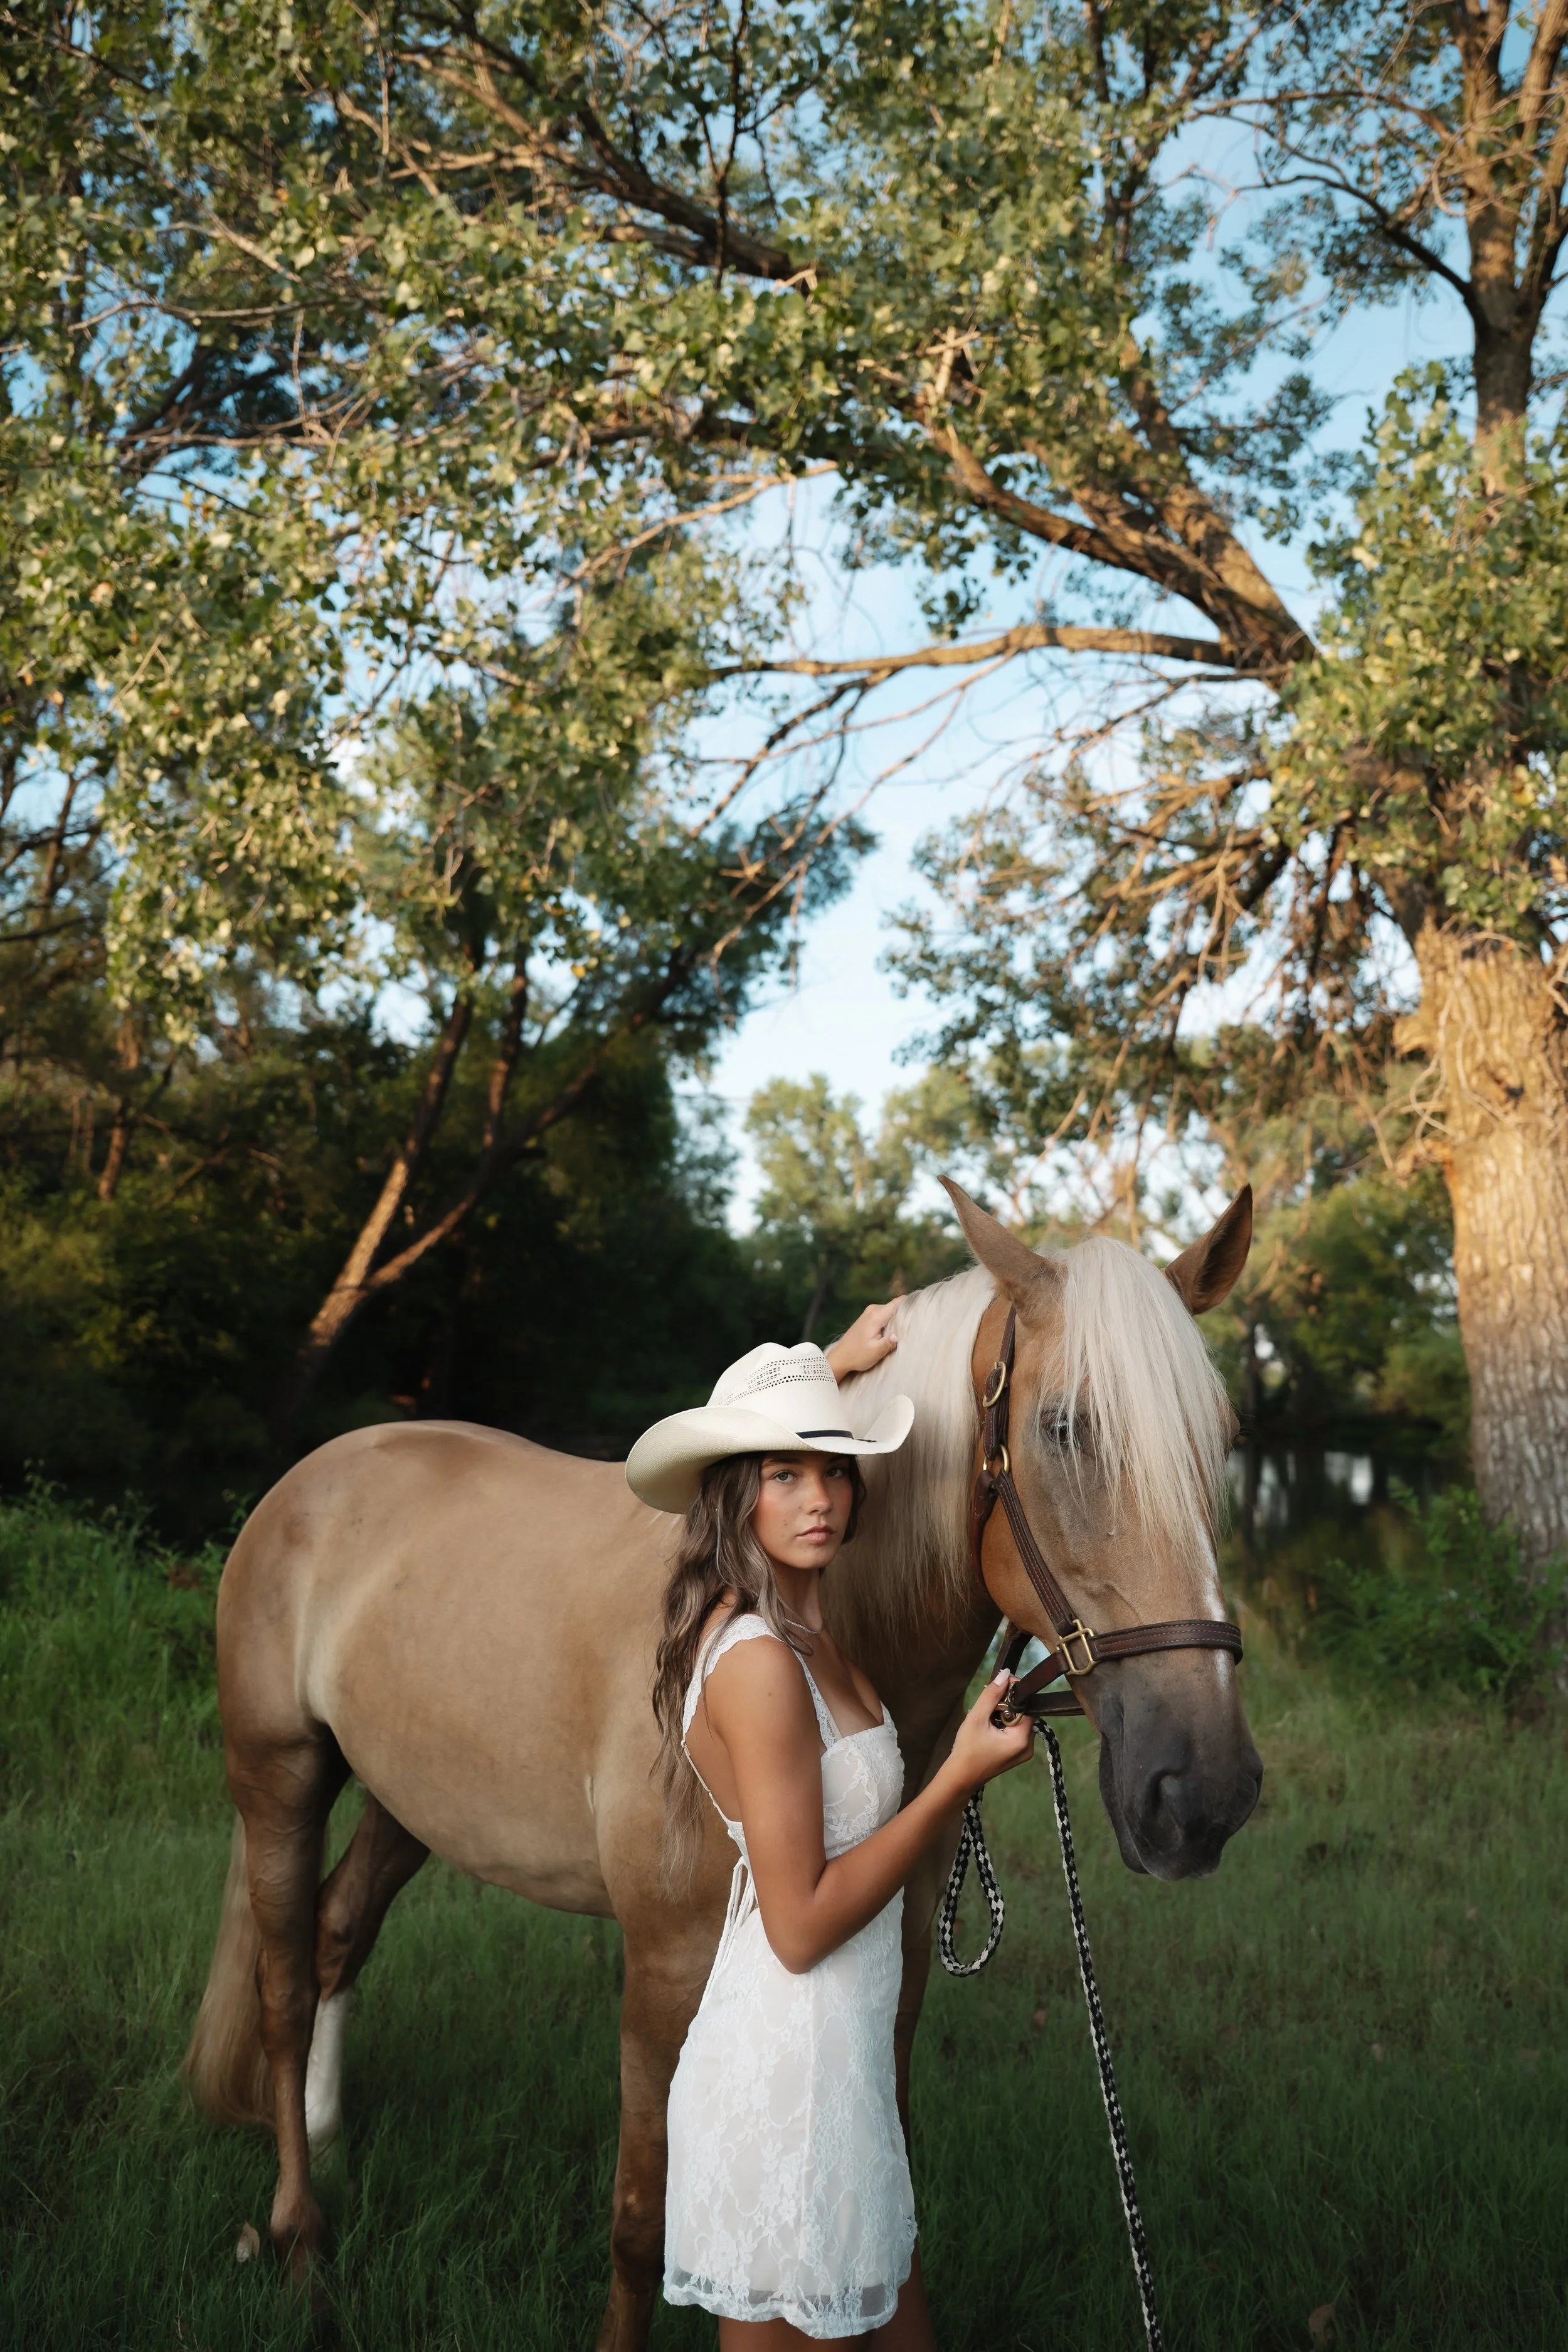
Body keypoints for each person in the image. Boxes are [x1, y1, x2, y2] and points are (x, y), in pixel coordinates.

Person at [625, 1305, 1037, 2349]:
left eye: (836, 1470)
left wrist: (832, 1363)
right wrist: (950, 1781)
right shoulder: (760, 1662)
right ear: (737, 1491)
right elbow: (800, 1925)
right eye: (784, 1473)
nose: (820, 1497)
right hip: (788, 2084)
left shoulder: (810, 1635)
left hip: (843, 2073)